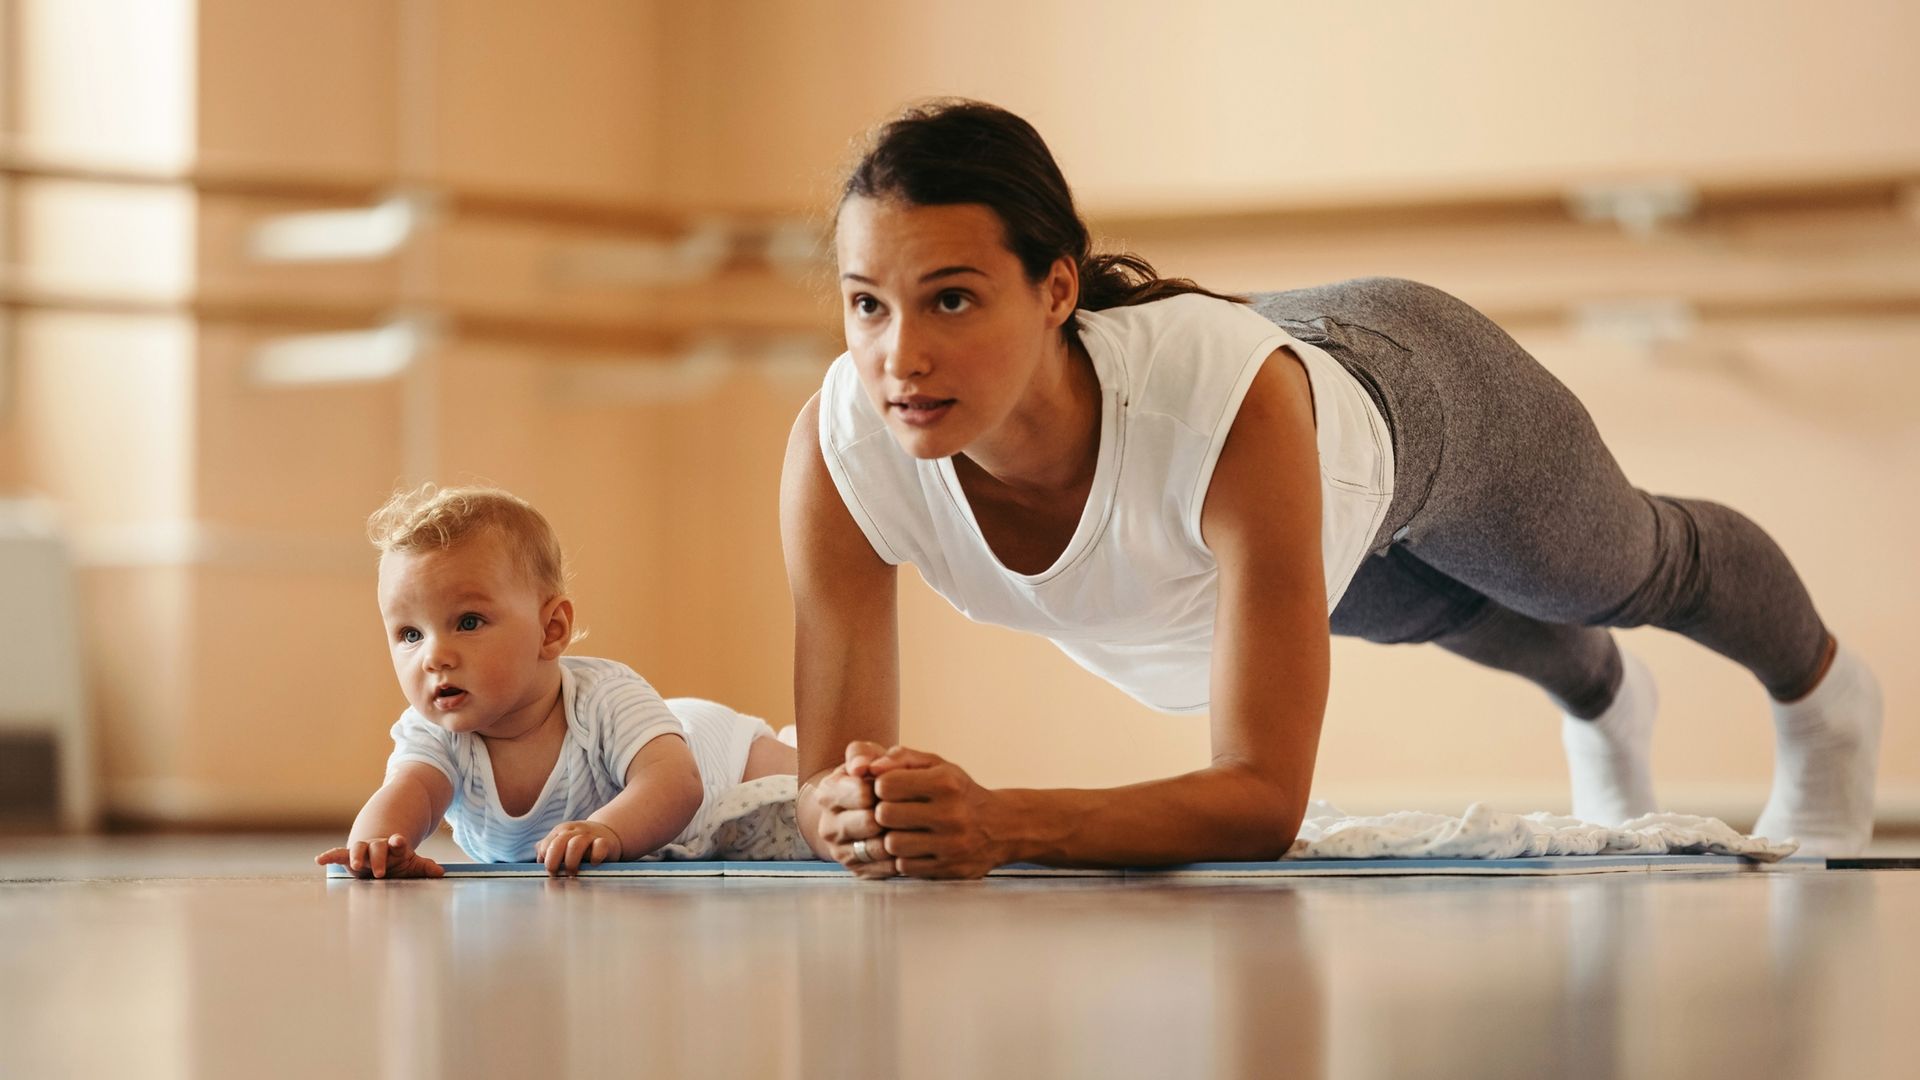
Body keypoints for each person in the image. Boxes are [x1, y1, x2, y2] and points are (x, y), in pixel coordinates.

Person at [780, 99, 1883, 879]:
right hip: (1267, 503)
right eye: (867, 303)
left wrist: (1001, 822)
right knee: (1444, 614)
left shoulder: (1226, 414)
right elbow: (822, 778)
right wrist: (854, 810)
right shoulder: (843, 449)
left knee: (1613, 570)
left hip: (1411, 393)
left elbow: (1261, 798)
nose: (900, 357)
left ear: (1057, 288)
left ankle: (1827, 701)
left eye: (953, 300)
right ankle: (1604, 704)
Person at [317, 485, 796, 878]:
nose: (434, 656)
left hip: (712, 756)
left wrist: (606, 830)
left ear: (551, 630)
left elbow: (675, 783)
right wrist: (376, 847)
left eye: (467, 622)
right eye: (410, 634)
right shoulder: (437, 736)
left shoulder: (603, 697)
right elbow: (408, 796)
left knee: (811, 782)